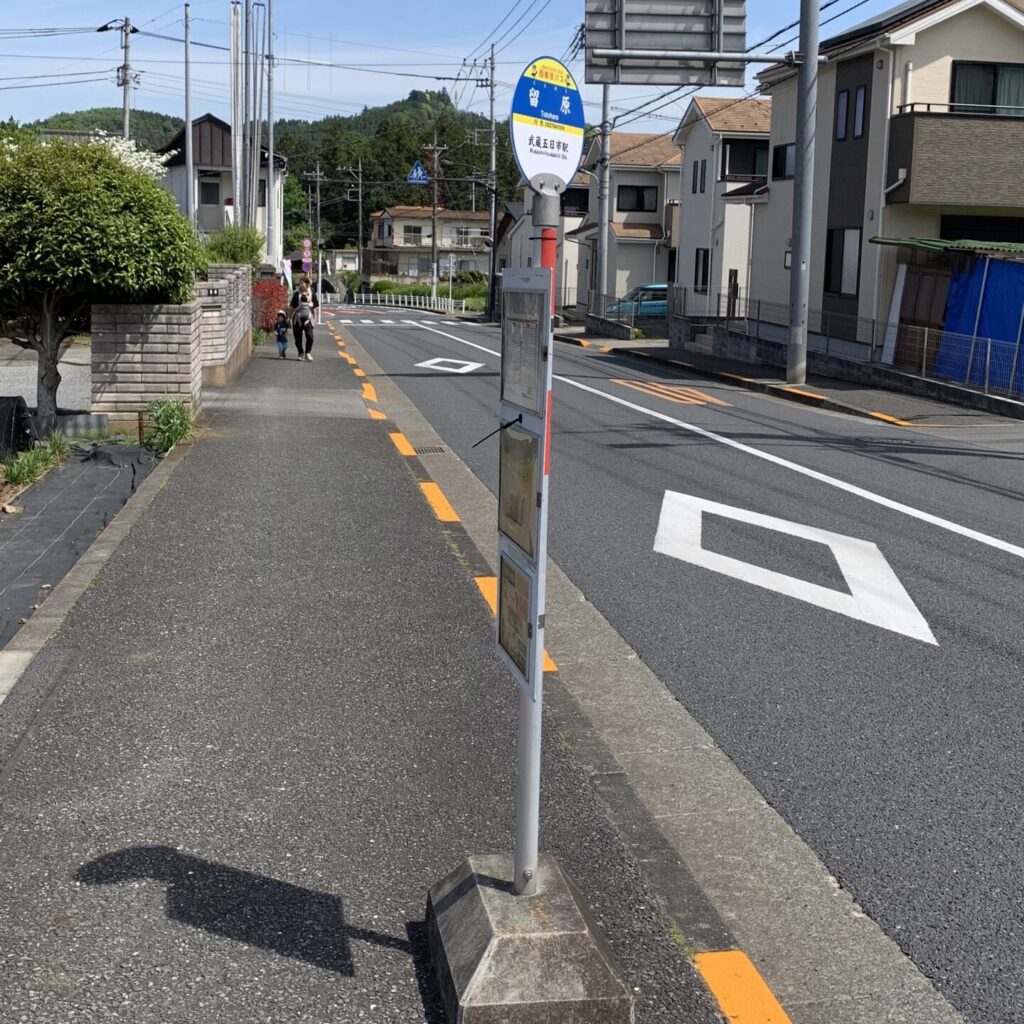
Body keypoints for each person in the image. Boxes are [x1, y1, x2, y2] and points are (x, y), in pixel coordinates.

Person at [289, 278, 319, 361]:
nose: (300, 285)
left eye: (302, 283)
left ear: (307, 284)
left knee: (310, 336)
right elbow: (292, 307)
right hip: (297, 318)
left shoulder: (312, 294)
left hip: (308, 319)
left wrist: (315, 318)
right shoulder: (296, 294)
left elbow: (314, 308)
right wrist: (289, 317)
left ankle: (308, 353)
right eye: (300, 283)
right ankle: (300, 353)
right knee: (297, 338)